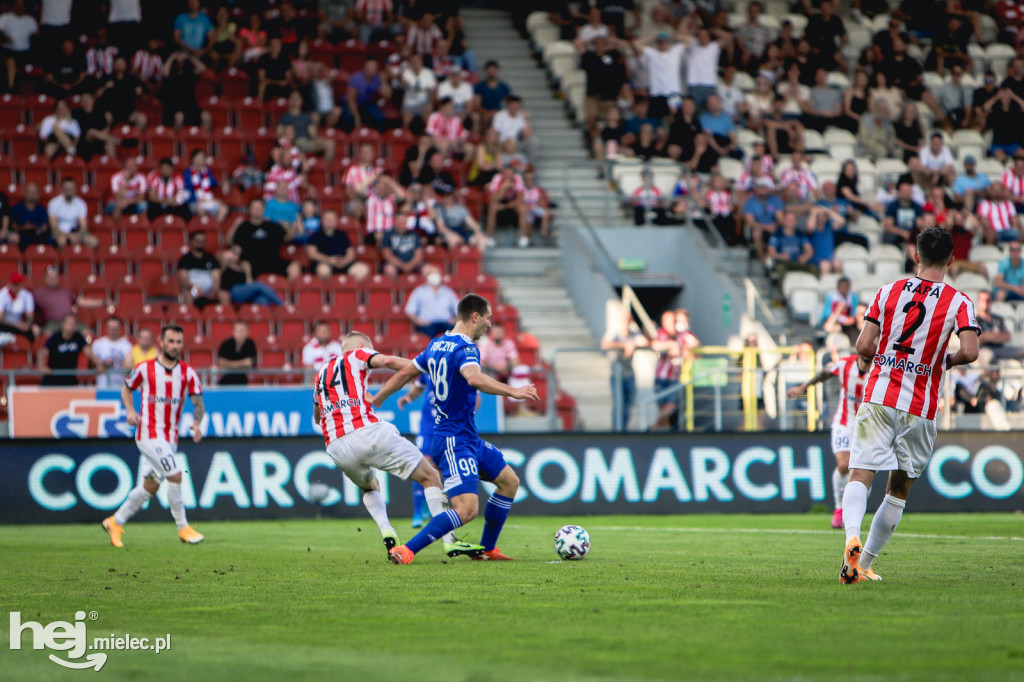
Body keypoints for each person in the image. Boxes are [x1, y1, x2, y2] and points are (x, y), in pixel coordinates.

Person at [839, 227, 980, 584]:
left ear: (916, 255)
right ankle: (864, 563)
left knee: (860, 473)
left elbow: (863, 345)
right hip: (920, 405)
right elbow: (970, 351)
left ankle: (850, 536)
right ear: (951, 259)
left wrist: (886, 360)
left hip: (880, 396)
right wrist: (942, 363)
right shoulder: (959, 301)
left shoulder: (888, 292)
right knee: (898, 489)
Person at [371, 294, 540, 564]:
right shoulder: (467, 347)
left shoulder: (436, 345)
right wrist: (514, 391)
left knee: (509, 482)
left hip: (465, 437)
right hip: (453, 440)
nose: (489, 323)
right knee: (466, 509)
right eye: (487, 318)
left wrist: (378, 398)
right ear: (475, 316)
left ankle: (487, 549)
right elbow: (473, 377)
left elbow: (405, 374)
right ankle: (407, 549)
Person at [315, 331, 486, 559]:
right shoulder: (357, 354)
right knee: (430, 476)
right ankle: (449, 539)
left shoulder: (321, 373)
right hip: (366, 431)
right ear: (359, 345)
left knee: (369, 486)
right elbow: (387, 361)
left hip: (336, 445)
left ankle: (387, 530)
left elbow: (317, 416)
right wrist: (427, 368)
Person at [102, 324, 206, 548]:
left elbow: (198, 403)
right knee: (176, 476)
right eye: (170, 341)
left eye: (178, 342)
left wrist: (197, 423)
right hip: (148, 434)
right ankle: (183, 527)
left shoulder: (188, 372)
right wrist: (130, 411)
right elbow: (126, 389)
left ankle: (114, 522)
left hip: (171, 438)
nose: (175, 346)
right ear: (161, 341)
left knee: (151, 486)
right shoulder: (144, 368)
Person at [788, 353, 868, 529]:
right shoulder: (845, 364)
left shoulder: (881, 369)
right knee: (844, 465)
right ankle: (839, 509)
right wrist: (803, 387)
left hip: (867, 426)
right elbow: (824, 373)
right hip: (844, 423)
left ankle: (853, 510)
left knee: (862, 471)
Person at [601, 306, 644, 432]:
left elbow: (644, 341)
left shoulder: (634, 333)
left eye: (628, 319)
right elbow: (605, 344)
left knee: (629, 405)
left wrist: (634, 344)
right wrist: (624, 345)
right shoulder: (614, 332)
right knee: (618, 405)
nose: (626, 321)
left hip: (629, 374)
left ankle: (623, 430)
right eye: (624, 319)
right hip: (617, 375)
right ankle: (616, 431)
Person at [306, 209, 371, 281]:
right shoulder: (316, 236)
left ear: (336, 221)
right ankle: (328, 291)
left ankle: (349, 290)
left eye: (332, 218)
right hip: (325, 263)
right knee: (323, 270)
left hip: (343, 263)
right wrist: (329, 260)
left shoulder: (342, 235)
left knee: (363, 269)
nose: (330, 221)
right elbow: (312, 254)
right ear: (322, 221)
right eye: (327, 218)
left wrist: (344, 261)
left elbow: (351, 253)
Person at [39, 313, 99, 386]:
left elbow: (88, 352)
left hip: (70, 377)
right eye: (69, 324)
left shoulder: (78, 337)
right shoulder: (55, 338)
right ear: (62, 325)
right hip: (53, 377)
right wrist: (42, 366)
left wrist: (98, 364)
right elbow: (43, 353)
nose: (71, 326)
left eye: (74, 324)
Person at [404, 265, 458, 337]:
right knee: (428, 335)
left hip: (446, 323)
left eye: (437, 273)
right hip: (428, 324)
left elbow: (459, 309)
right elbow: (410, 311)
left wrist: (455, 319)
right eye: (432, 274)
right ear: (426, 276)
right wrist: (418, 321)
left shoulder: (448, 292)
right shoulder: (419, 291)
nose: (434, 276)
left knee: (454, 333)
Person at [48, 177, 98, 249]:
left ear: (75, 189)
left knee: (93, 241)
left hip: (75, 232)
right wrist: (68, 236)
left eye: (71, 189)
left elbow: (84, 227)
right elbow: (54, 228)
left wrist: (77, 235)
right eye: (67, 189)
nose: (69, 191)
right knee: (62, 241)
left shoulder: (81, 203)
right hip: (60, 233)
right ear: (62, 189)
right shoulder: (54, 203)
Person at [975, 289, 1024, 361]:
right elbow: (978, 339)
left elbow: (1007, 337)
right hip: (984, 350)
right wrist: (997, 336)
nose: (986, 302)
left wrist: (987, 336)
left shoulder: (998, 319)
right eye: (983, 300)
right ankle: (994, 372)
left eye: (988, 300)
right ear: (978, 302)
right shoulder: (975, 320)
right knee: (989, 356)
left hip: (1000, 348)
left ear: (991, 302)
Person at [177, 231, 220, 308]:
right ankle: (190, 317)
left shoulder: (211, 258)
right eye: (198, 240)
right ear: (192, 241)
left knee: (224, 295)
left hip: (209, 291)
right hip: (193, 290)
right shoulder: (185, 259)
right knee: (188, 295)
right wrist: (195, 288)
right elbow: (183, 279)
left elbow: (216, 276)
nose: (200, 243)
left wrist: (214, 290)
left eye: (202, 241)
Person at [91, 316, 133, 389]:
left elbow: (130, 367)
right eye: (110, 327)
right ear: (106, 328)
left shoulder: (127, 345)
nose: (113, 330)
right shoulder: (97, 344)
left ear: (120, 328)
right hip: (102, 386)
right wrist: (101, 364)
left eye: (115, 328)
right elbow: (91, 366)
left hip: (120, 386)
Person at [217, 320, 257, 386]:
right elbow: (222, 363)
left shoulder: (250, 344)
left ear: (247, 332)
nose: (240, 334)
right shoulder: (226, 344)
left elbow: (249, 363)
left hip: (243, 381)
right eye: (238, 331)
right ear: (233, 332)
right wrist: (242, 364)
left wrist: (229, 364)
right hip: (226, 380)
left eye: (242, 331)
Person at [0, 272, 35, 342]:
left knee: (32, 332)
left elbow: (30, 316)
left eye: (18, 284)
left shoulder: (27, 295)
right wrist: (15, 325)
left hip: (20, 324)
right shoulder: (2, 295)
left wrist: (27, 324)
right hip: (5, 324)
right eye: (15, 284)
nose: (16, 287)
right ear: (10, 284)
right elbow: (0, 318)